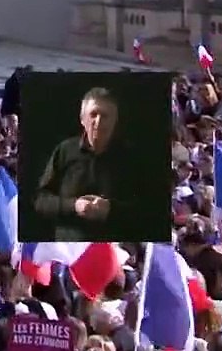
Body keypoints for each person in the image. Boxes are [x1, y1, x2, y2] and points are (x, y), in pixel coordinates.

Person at [33, 86, 147, 241]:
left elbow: (146, 210)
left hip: (113, 250)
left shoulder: (130, 157)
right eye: (93, 114)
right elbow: (41, 200)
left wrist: (111, 210)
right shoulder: (65, 151)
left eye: (105, 116)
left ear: (115, 120)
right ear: (82, 119)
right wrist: (74, 206)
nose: (98, 121)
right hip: (69, 251)